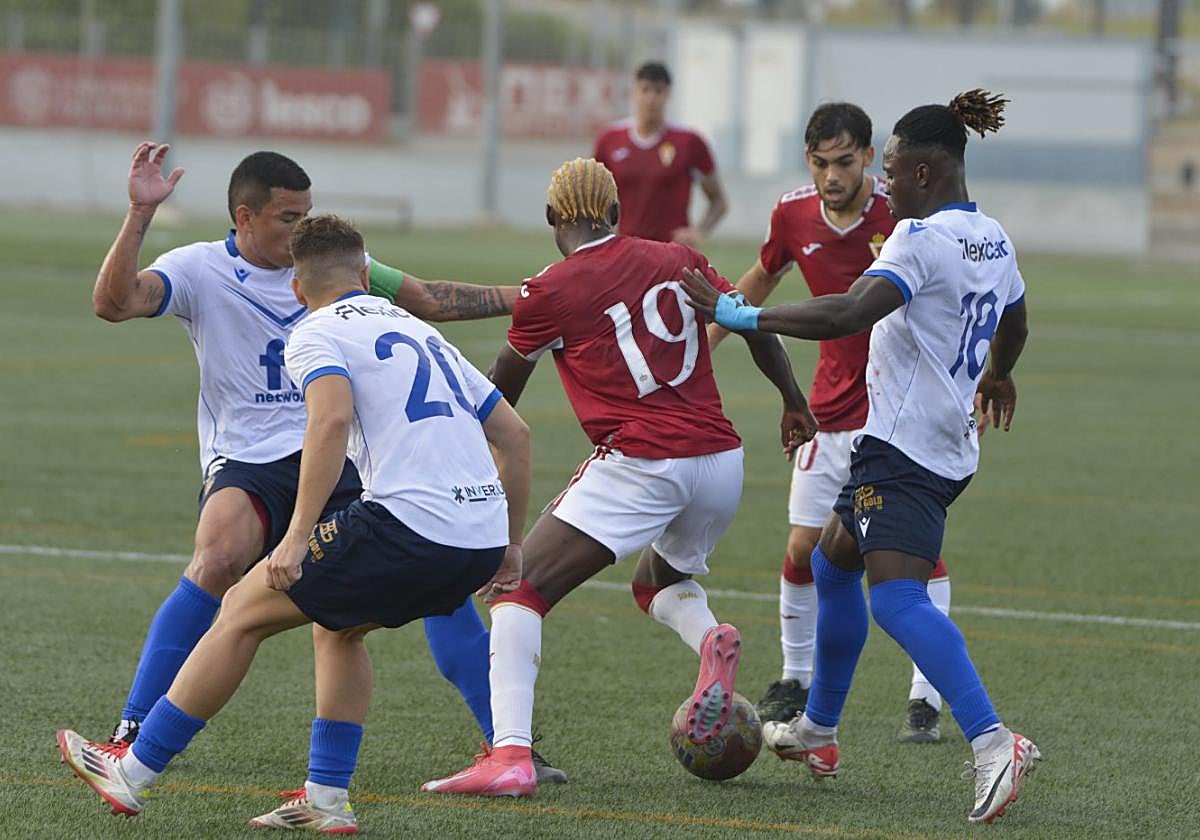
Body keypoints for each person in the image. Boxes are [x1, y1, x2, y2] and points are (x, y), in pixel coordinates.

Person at [89, 143, 564, 782]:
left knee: (439, 590)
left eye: (308, 213)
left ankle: (508, 744)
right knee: (221, 555)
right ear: (245, 217)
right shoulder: (199, 269)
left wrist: (538, 296)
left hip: (339, 456)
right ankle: (133, 731)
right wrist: (139, 215)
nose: (301, 228)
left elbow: (428, 297)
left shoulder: (334, 265)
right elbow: (114, 303)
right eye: (288, 217)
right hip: (251, 459)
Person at [683, 91, 1039, 824]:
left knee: (898, 599)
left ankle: (992, 740)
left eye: (897, 174)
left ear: (926, 173)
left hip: (906, 448)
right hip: (937, 443)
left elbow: (848, 311)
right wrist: (999, 371)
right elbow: (1017, 316)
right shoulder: (993, 237)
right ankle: (818, 727)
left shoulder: (919, 239)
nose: (888, 188)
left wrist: (741, 314)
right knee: (832, 560)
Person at [420, 157, 817, 797]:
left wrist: (453, 450)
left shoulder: (550, 289)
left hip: (643, 463)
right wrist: (793, 401)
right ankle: (709, 635)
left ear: (552, 217)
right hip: (720, 463)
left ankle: (511, 757)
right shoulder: (678, 258)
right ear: (616, 213)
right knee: (656, 581)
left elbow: (501, 392)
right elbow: (748, 323)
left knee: (515, 589)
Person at [708, 102, 954, 743]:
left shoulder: (900, 214)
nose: (832, 176)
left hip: (895, 415)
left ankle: (924, 698)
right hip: (826, 410)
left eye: (845, 162)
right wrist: (706, 345)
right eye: (820, 164)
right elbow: (760, 278)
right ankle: (795, 675)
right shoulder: (791, 215)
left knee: (915, 558)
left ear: (870, 158)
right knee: (803, 550)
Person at [593, 62, 727, 247]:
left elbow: (719, 201)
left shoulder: (688, 141)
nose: (651, 98)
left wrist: (698, 231)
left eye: (658, 91)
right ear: (634, 92)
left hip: (671, 252)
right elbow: (594, 196)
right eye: (645, 90)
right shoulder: (610, 139)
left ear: (668, 94)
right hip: (626, 250)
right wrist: (604, 232)